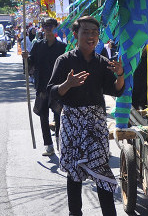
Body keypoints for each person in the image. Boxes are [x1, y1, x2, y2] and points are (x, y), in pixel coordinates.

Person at [48, 15, 125, 216]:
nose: (91, 37)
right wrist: (68, 84)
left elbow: (116, 91)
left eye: (94, 33)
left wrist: (120, 75)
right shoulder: (64, 61)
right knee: (74, 174)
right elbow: (52, 92)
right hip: (71, 122)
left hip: (96, 124)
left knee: (101, 170)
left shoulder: (102, 62)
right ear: (75, 35)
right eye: (86, 32)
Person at [23, 17, 67, 156]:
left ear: (55, 28)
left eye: (51, 26)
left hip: (58, 87)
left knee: (59, 115)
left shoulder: (62, 47)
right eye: (46, 26)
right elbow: (31, 63)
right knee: (43, 116)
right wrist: (26, 58)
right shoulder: (38, 45)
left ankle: (61, 142)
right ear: (43, 28)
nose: (48, 29)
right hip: (42, 85)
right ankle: (48, 145)